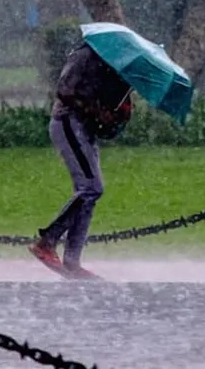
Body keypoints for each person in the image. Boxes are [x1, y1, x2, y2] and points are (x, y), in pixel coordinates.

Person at [28, 41, 134, 279]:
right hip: (68, 122)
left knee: (89, 193)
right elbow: (65, 91)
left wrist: (115, 112)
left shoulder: (111, 67)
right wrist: (96, 111)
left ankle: (72, 261)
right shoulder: (85, 54)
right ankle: (47, 242)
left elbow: (104, 105)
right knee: (91, 188)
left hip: (84, 129)